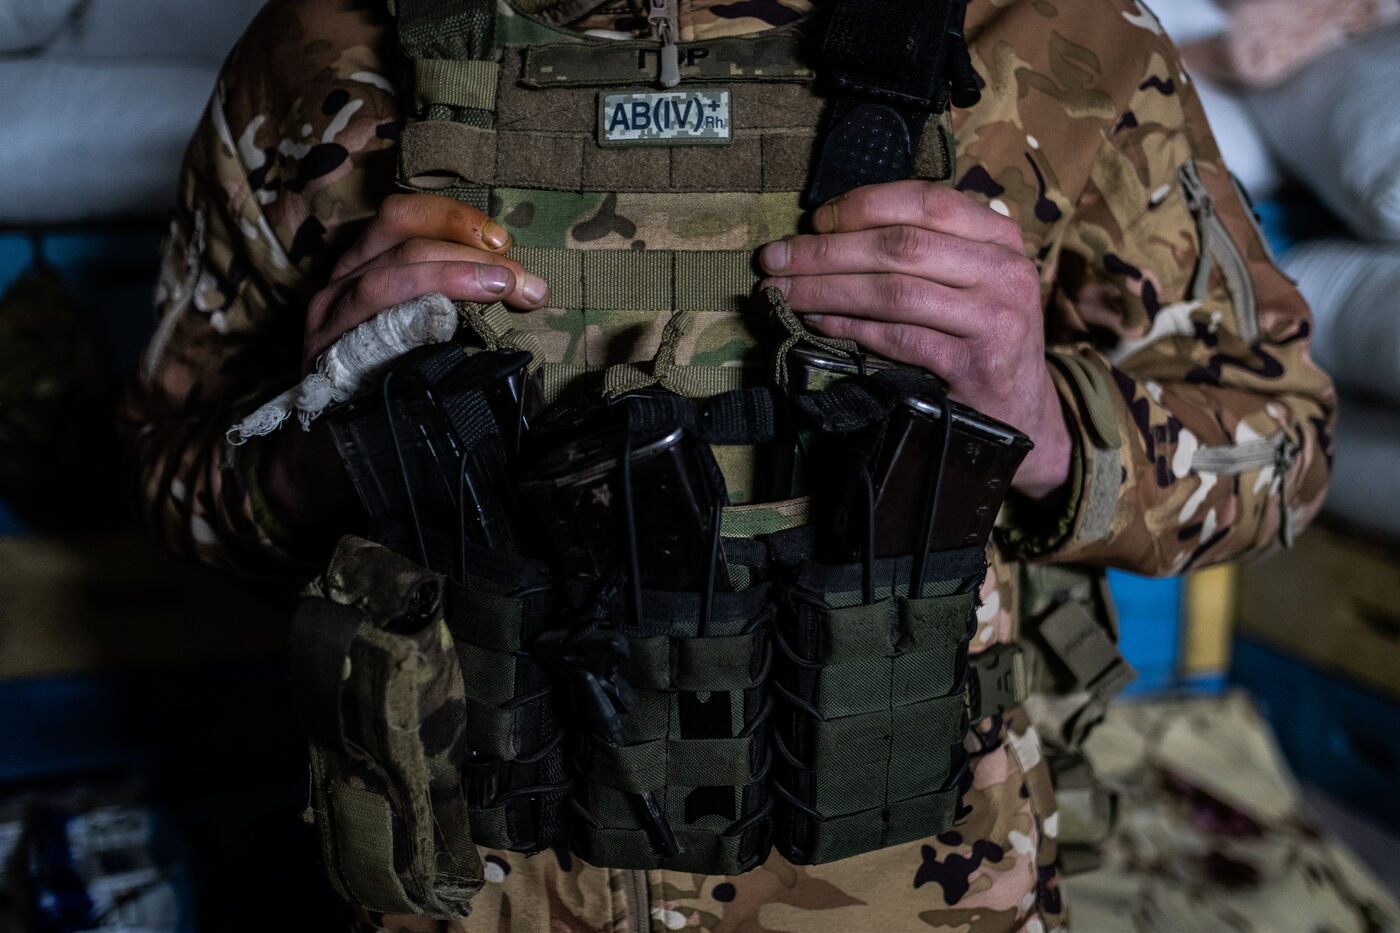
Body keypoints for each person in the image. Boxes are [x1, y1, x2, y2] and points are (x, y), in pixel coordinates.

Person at [122, 0, 1336, 929]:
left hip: (905, 879)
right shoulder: (322, 52)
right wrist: (327, 443)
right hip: (456, 878)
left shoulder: (1055, 36)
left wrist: (1041, 418)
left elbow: (1281, 444)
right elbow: (169, 484)